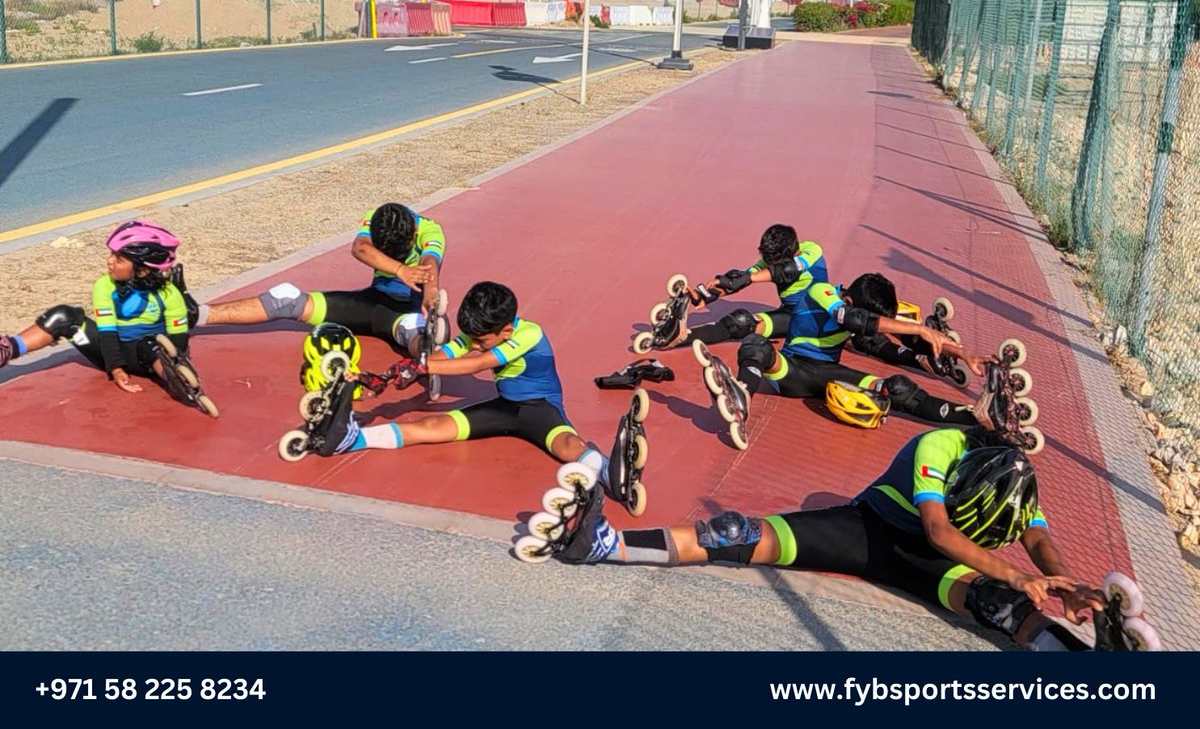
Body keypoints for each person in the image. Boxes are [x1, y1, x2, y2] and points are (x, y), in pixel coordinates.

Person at [533, 427, 1124, 652]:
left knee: (1000, 607)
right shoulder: (940, 448)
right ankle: (607, 545)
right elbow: (940, 529)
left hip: (932, 565)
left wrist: (1067, 584)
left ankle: (1084, 666)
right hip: (864, 532)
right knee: (736, 534)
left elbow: (1040, 542)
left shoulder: (1015, 487)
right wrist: (1012, 570)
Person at [314, 280, 647, 512]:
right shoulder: (483, 335)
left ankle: (608, 472)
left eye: (481, 340)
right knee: (432, 425)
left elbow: (478, 362)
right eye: (471, 338)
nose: (473, 343)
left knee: (566, 446)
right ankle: (352, 439)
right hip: (505, 408)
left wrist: (425, 368)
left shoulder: (529, 334)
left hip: (540, 410)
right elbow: (452, 351)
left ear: (505, 331)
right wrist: (405, 366)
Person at [675, 227, 992, 434]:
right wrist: (704, 294)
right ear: (851, 299)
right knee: (755, 343)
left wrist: (963, 353)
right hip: (793, 371)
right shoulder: (823, 293)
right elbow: (853, 319)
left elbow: (870, 325)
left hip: (829, 373)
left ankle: (974, 417)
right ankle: (739, 393)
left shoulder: (812, 252)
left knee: (898, 388)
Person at [0, 220, 213, 413]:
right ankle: (8, 348)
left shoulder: (169, 294)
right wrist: (116, 369)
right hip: (111, 351)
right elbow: (107, 331)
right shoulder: (105, 285)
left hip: (148, 357)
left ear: (142, 270)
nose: (110, 261)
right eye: (111, 254)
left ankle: (173, 378)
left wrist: (177, 362)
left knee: (153, 345)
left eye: (119, 259)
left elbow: (179, 338)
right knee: (64, 316)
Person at [196, 202, 447, 356]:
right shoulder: (375, 220)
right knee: (286, 298)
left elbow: (430, 263)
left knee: (414, 330)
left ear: (414, 232)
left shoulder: (429, 229)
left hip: (405, 312)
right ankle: (198, 314)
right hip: (370, 304)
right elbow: (360, 247)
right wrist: (400, 269)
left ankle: (427, 350)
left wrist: (430, 290)